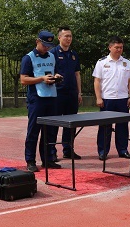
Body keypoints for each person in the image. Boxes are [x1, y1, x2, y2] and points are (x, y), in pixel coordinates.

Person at [20, 30, 62, 172]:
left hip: (52, 96)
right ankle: (30, 160)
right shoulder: (29, 58)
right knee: (34, 130)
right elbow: (23, 79)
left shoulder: (52, 56)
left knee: (50, 131)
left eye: (49, 45)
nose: (46, 48)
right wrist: (41, 79)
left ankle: (48, 159)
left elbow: (54, 71)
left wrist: (56, 77)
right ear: (37, 41)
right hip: (37, 98)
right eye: (44, 45)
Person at [92, 36, 130, 160]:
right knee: (105, 126)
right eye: (116, 47)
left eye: (121, 47)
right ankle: (103, 151)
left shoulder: (127, 63)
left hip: (122, 98)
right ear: (110, 47)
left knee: (122, 126)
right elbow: (97, 81)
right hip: (107, 99)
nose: (119, 50)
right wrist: (98, 98)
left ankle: (123, 150)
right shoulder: (102, 62)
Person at [49, 26, 83, 160]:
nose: (69, 38)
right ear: (59, 38)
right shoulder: (52, 53)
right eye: (66, 36)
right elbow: (49, 72)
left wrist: (79, 93)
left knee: (71, 123)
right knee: (55, 123)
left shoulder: (74, 55)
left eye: (70, 36)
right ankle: (51, 151)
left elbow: (77, 74)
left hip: (72, 94)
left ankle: (68, 149)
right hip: (57, 93)